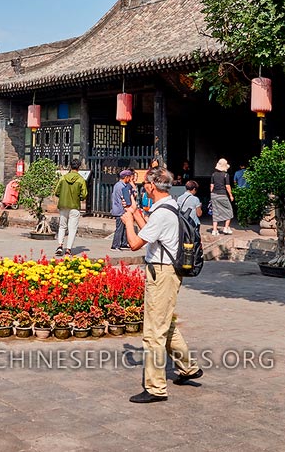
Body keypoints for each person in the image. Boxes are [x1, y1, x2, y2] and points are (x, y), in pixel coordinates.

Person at [120, 166, 201, 403]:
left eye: (145, 184)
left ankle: (156, 388)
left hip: (162, 273)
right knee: (165, 323)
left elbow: (135, 244)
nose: (144, 187)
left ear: (151, 186)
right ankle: (188, 367)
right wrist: (136, 213)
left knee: (153, 333)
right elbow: (151, 233)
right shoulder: (169, 206)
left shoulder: (161, 213)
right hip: (168, 272)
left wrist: (128, 222)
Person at [53, 159, 87, 257]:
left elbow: (57, 191)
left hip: (63, 205)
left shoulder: (63, 178)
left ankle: (60, 246)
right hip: (74, 206)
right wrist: (79, 198)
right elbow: (84, 194)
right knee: (72, 229)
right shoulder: (81, 179)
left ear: (70, 166)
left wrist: (63, 196)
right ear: (79, 167)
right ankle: (68, 249)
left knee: (62, 226)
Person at [110, 169, 136, 250]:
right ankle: (115, 245)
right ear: (126, 177)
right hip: (120, 209)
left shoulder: (119, 185)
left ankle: (123, 243)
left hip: (119, 209)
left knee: (124, 227)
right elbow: (126, 198)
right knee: (119, 228)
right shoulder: (121, 186)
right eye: (129, 177)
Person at [209, 159, 235, 236]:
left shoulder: (213, 175)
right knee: (229, 211)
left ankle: (214, 230)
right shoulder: (226, 175)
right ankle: (226, 228)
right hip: (223, 194)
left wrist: (212, 194)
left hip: (214, 194)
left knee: (215, 212)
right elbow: (227, 186)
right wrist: (231, 195)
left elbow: (211, 186)